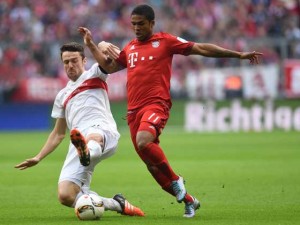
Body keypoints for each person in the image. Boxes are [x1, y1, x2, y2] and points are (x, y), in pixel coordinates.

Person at [78, 4, 263, 218]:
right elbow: (109, 68)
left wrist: (239, 55)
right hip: (133, 112)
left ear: (152, 23)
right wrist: (91, 44)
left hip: (157, 104)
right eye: (133, 24)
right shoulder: (130, 48)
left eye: (141, 24)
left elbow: (201, 48)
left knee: (143, 141)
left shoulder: (165, 41)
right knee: (153, 167)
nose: (136, 28)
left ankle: (176, 181)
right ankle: (189, 200)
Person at [14, 42, 144, 217]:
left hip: (102, 131)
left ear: (84, 60)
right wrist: (38, 157)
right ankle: (115, 203)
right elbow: (58, 134)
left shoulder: (95, 74)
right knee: (66, 195)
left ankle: (87, 152)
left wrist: (95, 44)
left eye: (74, 60)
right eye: (66, 62)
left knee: (93, 138)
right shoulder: (62, 96)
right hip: (78, 143)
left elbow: (115, 62)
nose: (70, 65)